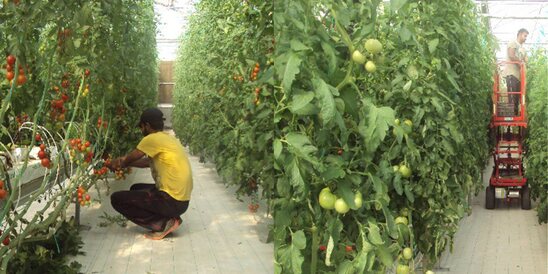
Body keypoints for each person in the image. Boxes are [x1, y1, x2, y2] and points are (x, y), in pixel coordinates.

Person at [107, 107, 193, 240]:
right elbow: (147, 162)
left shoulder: (151, 139)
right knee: (135, 189)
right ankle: (168, 217)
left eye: (141, 127)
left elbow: (132, 157)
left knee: (117, 199)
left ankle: (162, 224)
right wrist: (126, 163)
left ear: (147, 125)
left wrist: (119, 163)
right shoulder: (167, 139)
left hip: (172, 200)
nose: (141, 130)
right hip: (181, 200)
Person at [503, 28, 528, 115]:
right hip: (511, 73)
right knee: (512, 94)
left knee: (517, 96)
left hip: (518, 76)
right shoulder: (513, 43)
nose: (526, 38)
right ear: (520, 34)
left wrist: (527, 64)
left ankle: (515, 114)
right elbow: (511, 55)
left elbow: (526, 60)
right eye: (525, 36)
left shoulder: (523, 49)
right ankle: (511, 114)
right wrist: (520, 63)